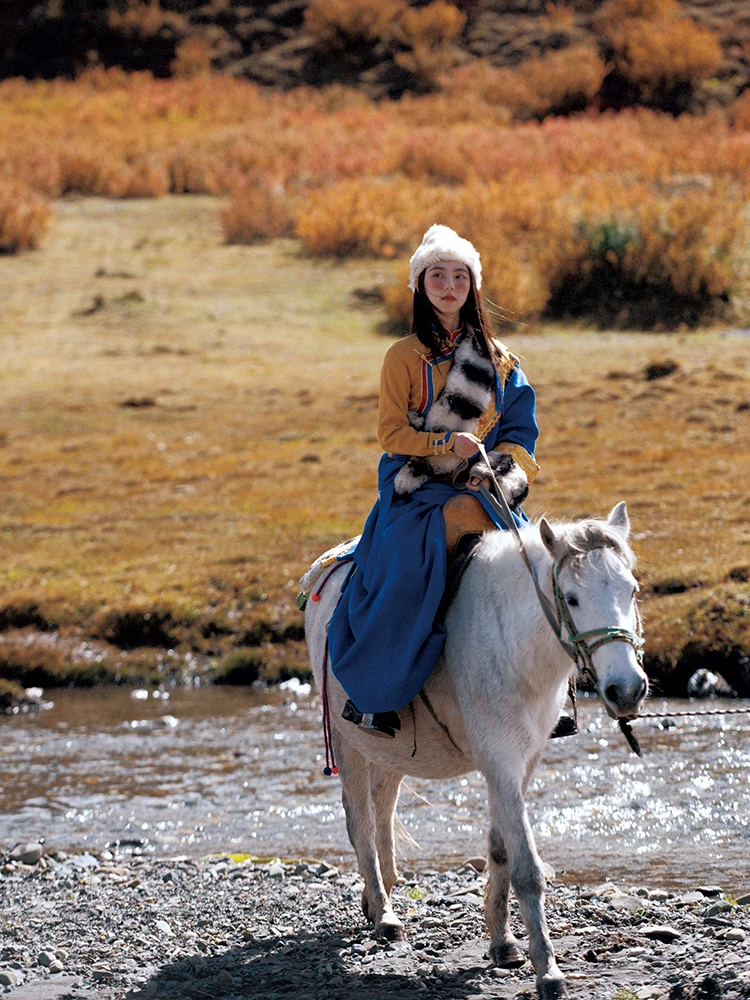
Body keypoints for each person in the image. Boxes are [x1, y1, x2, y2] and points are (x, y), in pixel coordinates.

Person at [327, 224, 540, 736]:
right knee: (406, 564)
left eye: (459, 276)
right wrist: (447, 446)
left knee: (537, 563)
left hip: (483, 485)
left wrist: (492, 477)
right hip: (414, 483)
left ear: (473, 285)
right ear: (421, 285)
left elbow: (518, 436)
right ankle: (378, 691)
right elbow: (390, 433)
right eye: (437, 275)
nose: (449, 286)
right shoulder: (401, 357)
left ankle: (553, 694)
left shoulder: (501, 360)